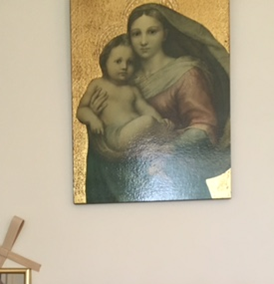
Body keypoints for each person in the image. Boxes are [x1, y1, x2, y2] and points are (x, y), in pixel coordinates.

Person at [84, 3, 231, 203]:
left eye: (152, 32)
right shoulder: (125, 80)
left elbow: (203, 126)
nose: (143, 41)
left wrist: (170, 147)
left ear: (165, 34)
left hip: (174, 174)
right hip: (124, 178)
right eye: (136, 34)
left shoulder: (186, 73)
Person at [77, 34, 172, 152]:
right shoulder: (98, 84)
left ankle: (159, 148)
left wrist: (160, 120)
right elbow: (82, 109)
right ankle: (162, 138)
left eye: (130, 62)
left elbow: (145, 108)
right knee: (147, 121)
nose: (124, 66)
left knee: (152, 125)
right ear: (105, 62)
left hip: (134, 135)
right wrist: (93, 120)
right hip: (116, 136)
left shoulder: (132, 89)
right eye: (118, 61)